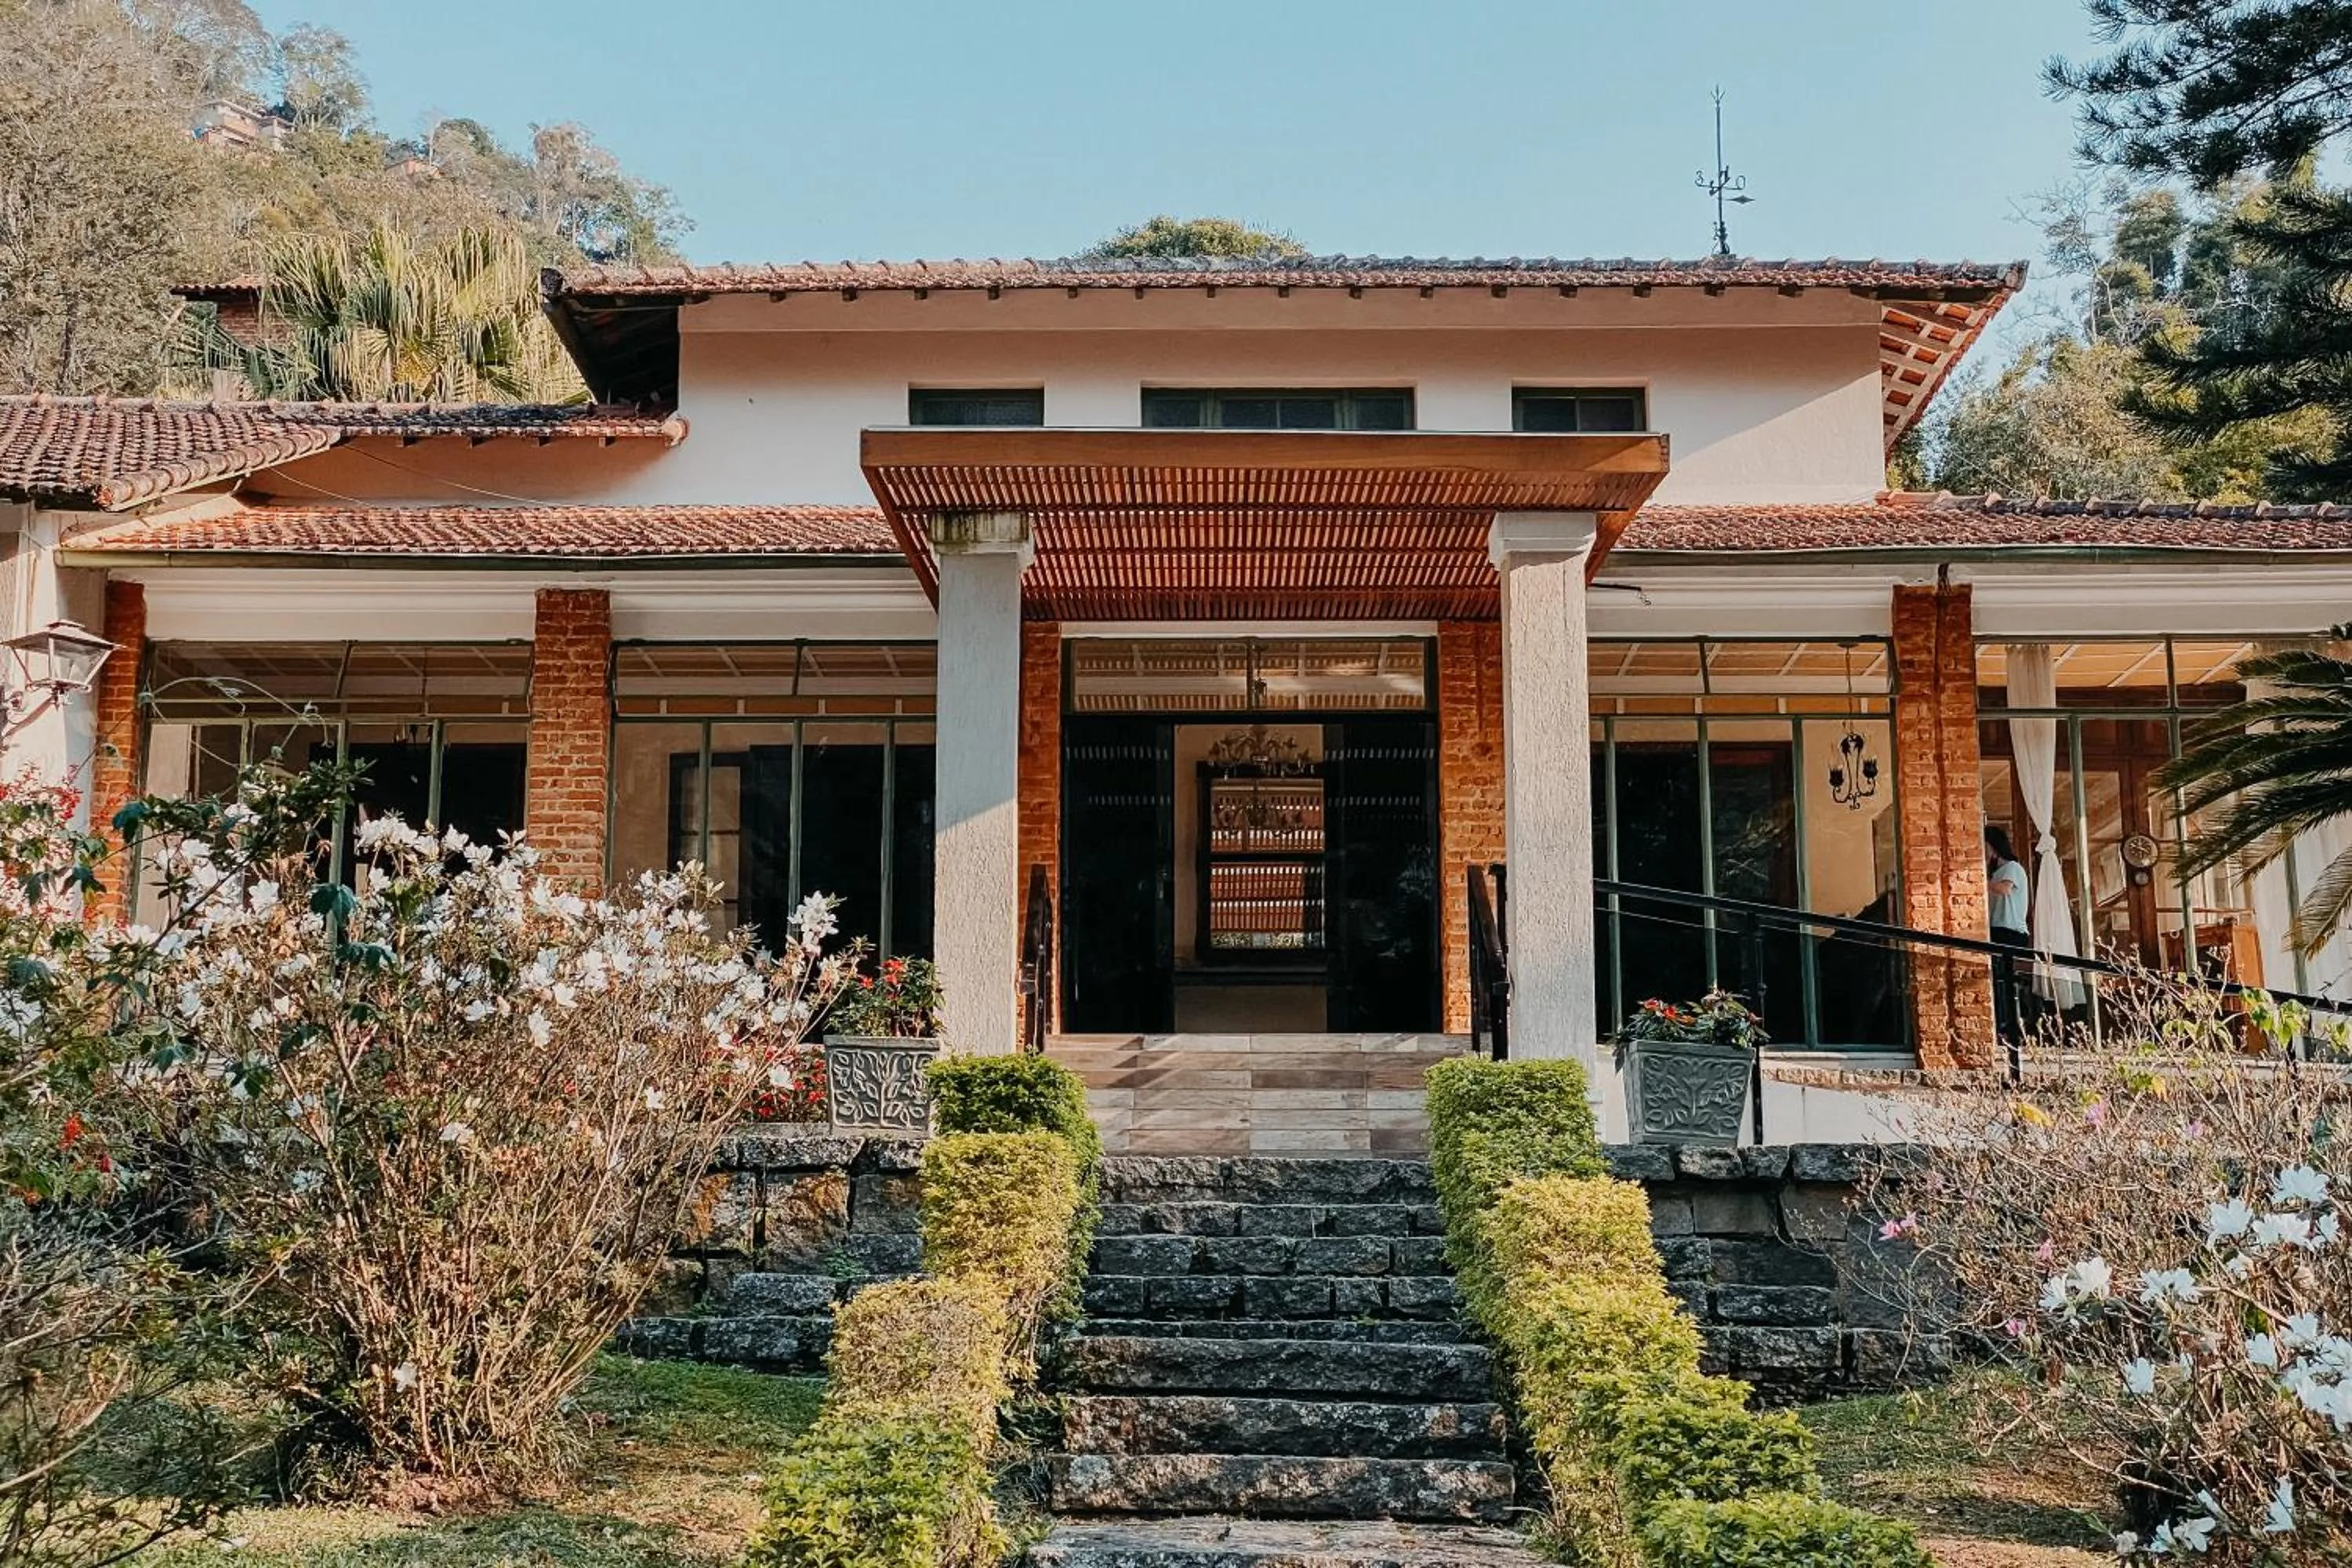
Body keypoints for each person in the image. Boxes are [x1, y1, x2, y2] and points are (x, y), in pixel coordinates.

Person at [1985, 825, 2031, 1042]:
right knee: (1998, 982)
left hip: (2011, 932)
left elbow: (2004, 889)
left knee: (2007, 981)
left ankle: (2014, 1028)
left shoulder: (2012, 868)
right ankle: (2004, 1026)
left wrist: (1980, 883)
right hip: (1997, 930)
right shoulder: (1996, 873)